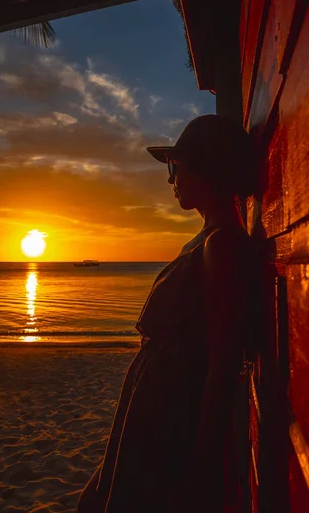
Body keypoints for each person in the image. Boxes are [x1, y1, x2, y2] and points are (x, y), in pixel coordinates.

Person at [77, 114, 261, 513]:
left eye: (176, 167)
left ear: (207, 168)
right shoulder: (207, 238)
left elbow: (222, 365)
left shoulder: (223, 245)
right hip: (151, 406)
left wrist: (200, 470)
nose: (170, 179)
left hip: (172, 417)